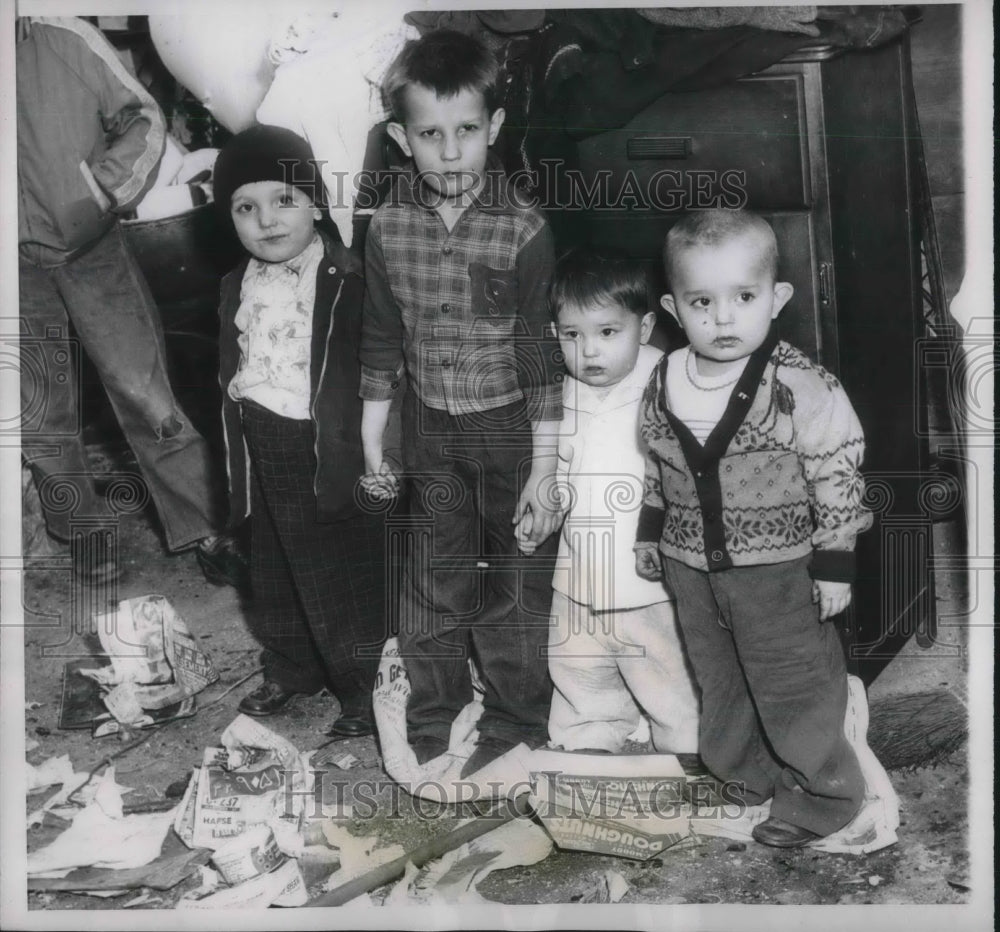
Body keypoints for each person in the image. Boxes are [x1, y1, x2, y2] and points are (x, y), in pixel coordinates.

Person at [359, 30, 563, 776]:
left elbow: (541, 352)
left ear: (495, 129)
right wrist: (372, 441)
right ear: (399, 138)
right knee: (433, 581)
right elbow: (380, 343)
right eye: (430, 134)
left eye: (467, 131)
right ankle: (432, 720)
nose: (450, 151)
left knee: (512, 583)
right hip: (428, 430)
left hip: (509, 429)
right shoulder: (384, 230)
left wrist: (546, 467)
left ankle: (516, 721)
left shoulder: (527, 229)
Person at [635, 208, 873, 847]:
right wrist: (649, 532)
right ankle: (745, 777)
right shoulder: (664, 378)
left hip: (778, 571)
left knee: (792, 679)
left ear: (778, 298)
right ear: (672, 307)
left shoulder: (799, 383)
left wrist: (835, 561)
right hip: (691, 567)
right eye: (701, 301)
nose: (723, 317)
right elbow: (660, 462)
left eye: (743, 297)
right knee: (721, 677)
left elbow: (838, 471)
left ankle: (826, 792)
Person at [16, 16, 244, 588]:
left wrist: (101, 192)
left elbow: (142, 117)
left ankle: (205, 524)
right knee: (40, 409)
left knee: (145, 390)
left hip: (91, 246)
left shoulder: (58, 36)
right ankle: (84, 530)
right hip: (10, 269)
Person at [212, 124, 395, 736]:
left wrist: (372, 449)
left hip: (320, 442)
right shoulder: (235, 284)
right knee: (271, 562)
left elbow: (375, 364)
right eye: (246, 207)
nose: (266, 220)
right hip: (258, 435)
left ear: (316, 202)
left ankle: (363, 684)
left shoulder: (347, 275)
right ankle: (293, 667)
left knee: (332, 568)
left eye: (283, 200)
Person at [538, 249, 700, 754]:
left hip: (647, 578)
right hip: (579, 572)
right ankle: (587, 739)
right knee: (578, 666)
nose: (589, 352)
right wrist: (545, 506)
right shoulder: (559, 393)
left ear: (645, 326)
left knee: (666, 671)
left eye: (608, 333)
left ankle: (687, 748)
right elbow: (562, 467)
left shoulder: (671, 381)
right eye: (572, 335)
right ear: (554, 334)